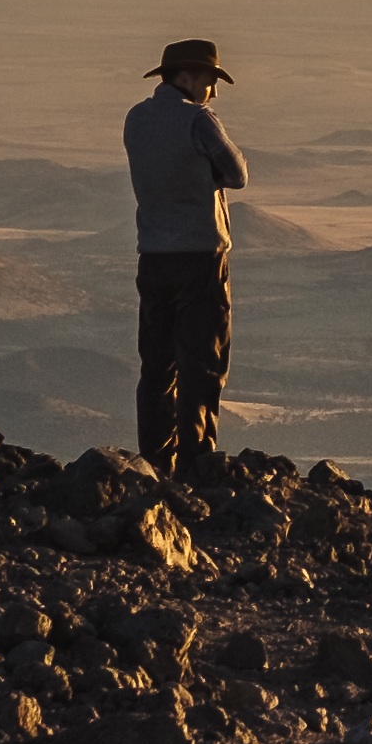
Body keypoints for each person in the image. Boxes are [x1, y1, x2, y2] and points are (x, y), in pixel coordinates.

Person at [122, 38, 251, 472]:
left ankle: (156, 462)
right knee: (202, 363)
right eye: (211, 80)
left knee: (157, 364)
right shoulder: (199, 121)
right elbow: (237, 174)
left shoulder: (136, 119)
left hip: (153, 255)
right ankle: (197, 464)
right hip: (201, 256)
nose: (213, 90)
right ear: (190, 77)